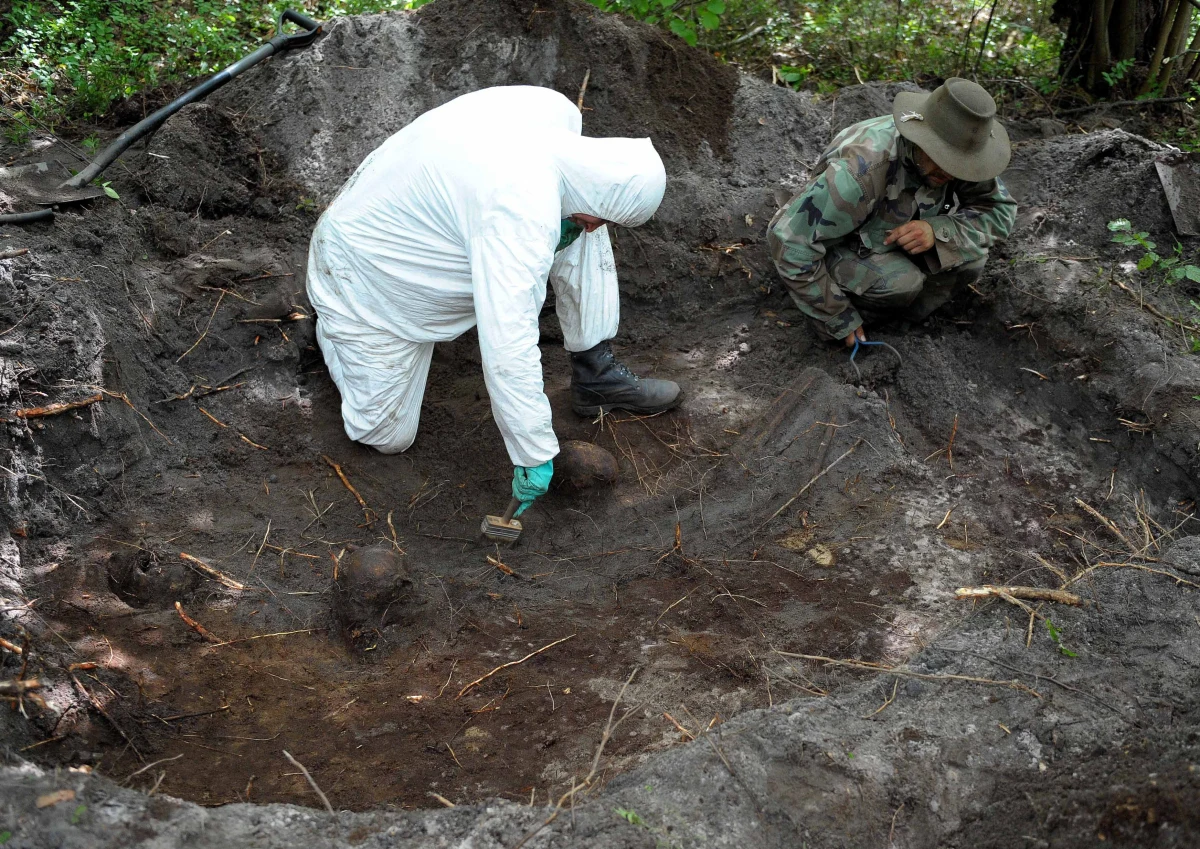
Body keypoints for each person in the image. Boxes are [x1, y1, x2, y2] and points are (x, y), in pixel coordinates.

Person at [306, 86, 681, 517]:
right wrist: (533, 450)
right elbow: (508, 344)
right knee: (385, 434)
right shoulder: (518, 208)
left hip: (431, 222)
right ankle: (336, 329)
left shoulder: (554, 118)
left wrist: (565, 230)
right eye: (604, 217)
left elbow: (575, 215)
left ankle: (596, 371)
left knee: (579, 222)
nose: (598, 228)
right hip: (368, 276)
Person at [768, 78, 1018, 345]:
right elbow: (787, 241)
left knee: (970, 259)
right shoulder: (859, 172)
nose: (952, 172)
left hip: (893, 231)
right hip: (841, 241)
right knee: (901, 283)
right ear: (922, 139)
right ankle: (856, 325)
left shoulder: (963, 157)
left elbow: (1000, 211)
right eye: (944, 159)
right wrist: (837, 317)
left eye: (960, 165)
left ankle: (901, 326)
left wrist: (938, 230)